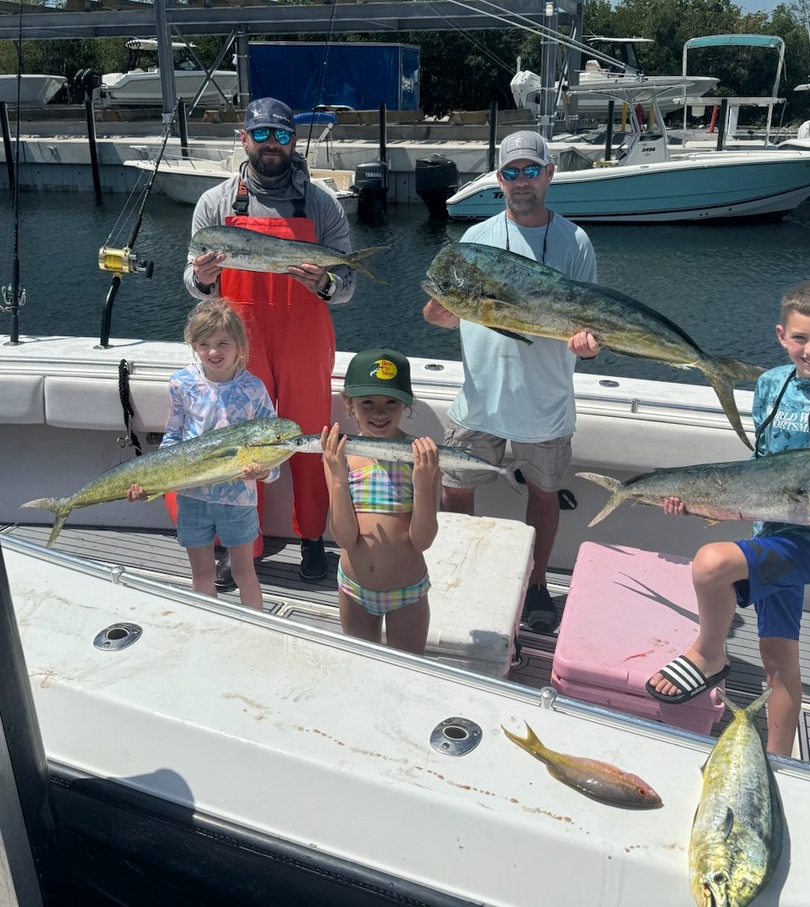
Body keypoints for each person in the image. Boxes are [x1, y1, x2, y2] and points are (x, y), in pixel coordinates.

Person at [646, 278, 810, 756]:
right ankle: (779, 762)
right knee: (778, 661)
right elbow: (759, 465)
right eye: (800, 338)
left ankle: (710, 654)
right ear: (781, 335)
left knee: (712, 563)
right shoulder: (771, 383)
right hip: (767, 530)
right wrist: (699, 503)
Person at [422, 130, 600, 633]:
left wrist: (588, 344)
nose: (522, 181)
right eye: (512, 172)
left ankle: (536, 582)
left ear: (549, 174)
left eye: (531, 170)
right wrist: (443, 309)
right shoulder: (473, 240)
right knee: (456, 491)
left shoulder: (575, 242)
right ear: (498, 180)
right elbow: (437, 315)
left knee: (543, 496)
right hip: (478, 400)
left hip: (545, 403)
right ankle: (461, 573)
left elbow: (588, 318)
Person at [184, 96, 354, 589]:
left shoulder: (322, 204)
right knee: (235, 437)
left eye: (281, 135)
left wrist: (323, 283)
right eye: (262, 135)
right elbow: (192, 282)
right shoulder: (214, 204)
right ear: (244, 139)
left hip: (304, 336)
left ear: (294, 140)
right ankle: (240, 544)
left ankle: (313, 538)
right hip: (240, 339)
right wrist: (204, 277)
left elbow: (346, 286)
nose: (272, 145)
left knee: (307, 437)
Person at [126, 301, 280, 610]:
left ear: (240, 346)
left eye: (222, 343)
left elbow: (273, 448)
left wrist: (265, 473)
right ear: (194, 346)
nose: (213, 352)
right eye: (204, 344)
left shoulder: (255, 389)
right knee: (202, 573)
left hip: (238, 499)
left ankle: (262, 629)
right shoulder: (182, 383)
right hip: (192, 497)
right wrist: (152, 483)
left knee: (243, 572)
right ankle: (207, 626)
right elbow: (173, 436)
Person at [320, 348, 440, 654]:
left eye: (391, 403)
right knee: (362, 669)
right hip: (354, 590)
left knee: (408, 672)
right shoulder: (339, 455)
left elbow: (422, 541)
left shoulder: (420, 458)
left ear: (406, 405)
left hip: (407, 593)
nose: (379, 413)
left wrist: (424, 484)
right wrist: (336, 474)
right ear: (349, 404)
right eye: (367, 403)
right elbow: (345, 538)